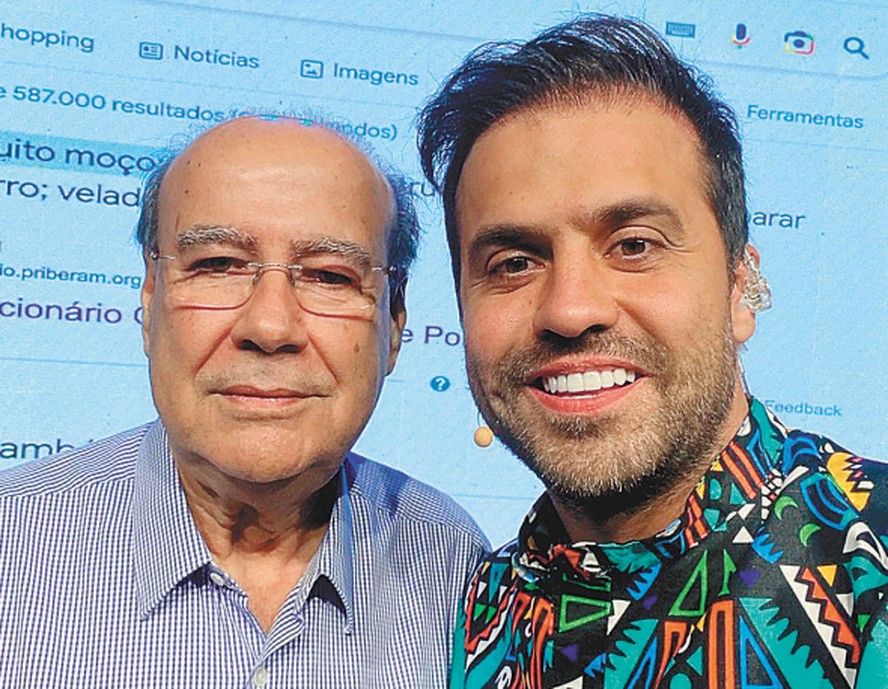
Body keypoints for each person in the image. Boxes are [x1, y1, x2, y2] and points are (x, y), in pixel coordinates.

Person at [418, 15, 888, 688]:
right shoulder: (464, 612)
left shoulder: (872, 557)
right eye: (514, 262)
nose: (570, 310)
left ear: (739, 286)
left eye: (634, 245)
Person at [0, 115, 488, 687]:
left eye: (329, 276)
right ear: (150, 300)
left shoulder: (456, 566)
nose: (270, 325)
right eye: (218, 266)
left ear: (395, 324)